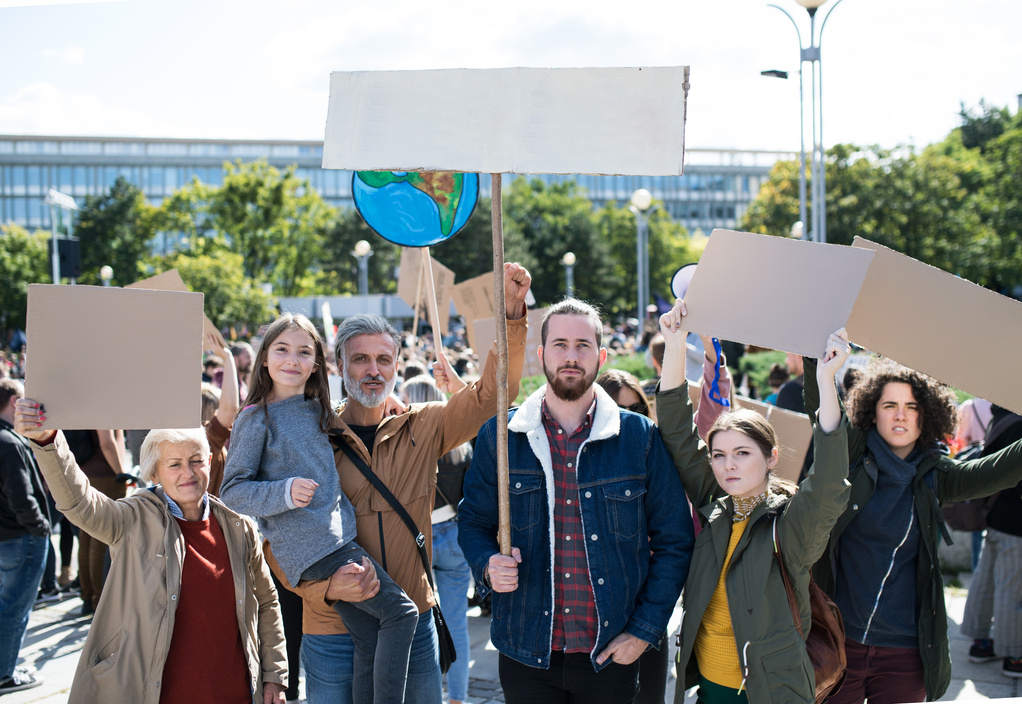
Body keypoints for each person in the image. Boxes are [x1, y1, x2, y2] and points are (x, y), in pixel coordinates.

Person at [267, 261, 532, 704]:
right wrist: (326, 588)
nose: (374, 369)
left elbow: (493, 395)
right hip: (331, 630)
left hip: (414, 622)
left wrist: (510, 318)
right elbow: (276, 544)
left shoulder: (425, 427)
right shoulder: (307, 439)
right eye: (361, 359)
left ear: (396, 366)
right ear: (339, 365)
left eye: (383, 359)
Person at [458, 298, 694, 704]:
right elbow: (473, 522)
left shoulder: (640, 438)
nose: (571, 356)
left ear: (601, 356)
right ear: (541, 354)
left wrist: (644, 631)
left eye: (583, 345)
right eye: (560, 344)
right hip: (525, 651)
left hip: (610, 654)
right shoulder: (500, 436)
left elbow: (675, 540)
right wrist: (486, 564)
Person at [13, 404, 287, 704]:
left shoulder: (239, 527)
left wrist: (275, 675)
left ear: (209, 461)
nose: (188, 473)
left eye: (196, 461)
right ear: (155, 471)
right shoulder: (132, 520)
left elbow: (267, 602)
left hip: (235, 693)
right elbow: (81, 504)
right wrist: (48, 441)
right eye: (174, 464)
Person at [656, 299, 851, 704]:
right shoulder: (715, 500)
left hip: (768, 691)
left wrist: (828, 379)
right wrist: (675, 345)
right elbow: (676, 430)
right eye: (719, 455)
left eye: (742, 453)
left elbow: (830, 479)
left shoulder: (790, 522)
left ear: (771, 457)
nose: (728, 466)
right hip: (708, 685)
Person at [221, 313, 419, 704]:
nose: (292, 360)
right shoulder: (255, 418)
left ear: (316, 363)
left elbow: (355, 407)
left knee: (369, 637)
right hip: (315, 549)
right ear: (264, 358)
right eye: (282, 349)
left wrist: (389, 399)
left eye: (303, 352)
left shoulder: (315, 408)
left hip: (334, 538)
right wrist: (283, 491)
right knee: (402, 615)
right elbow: (231, 491)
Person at [803, 356, 1022, 703]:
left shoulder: (937, 476)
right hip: (838, 642)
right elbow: (821, 407)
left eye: (912, 406)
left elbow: (1003, 469)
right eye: (889, 404)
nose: (900, 415)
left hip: (904, 653)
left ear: (927, 415)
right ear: (873, 411)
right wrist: (818, 354)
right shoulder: (852, 454)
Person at [401, 374, 475, 704]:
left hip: (417, 538)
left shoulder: (404, 441)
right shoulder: (459, 444)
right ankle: (457, 698)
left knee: (417, 624)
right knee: (456, 622)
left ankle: (425, 695)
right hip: (455, 534)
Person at [960, 406, 1022, 677]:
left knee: (985, 580)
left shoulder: (1003, 416)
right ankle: (1015, 655)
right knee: (1012, 590)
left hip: (994, 513)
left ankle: (980, 643)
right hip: (1016, 520)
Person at [0, 379, 49, 694]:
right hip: (22, 537)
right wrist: (41, 526)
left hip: (9, 536)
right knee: (15, 607)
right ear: (14, 402)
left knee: (8, 604)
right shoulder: (9, 442)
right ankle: (5, 673)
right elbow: (21, 496)